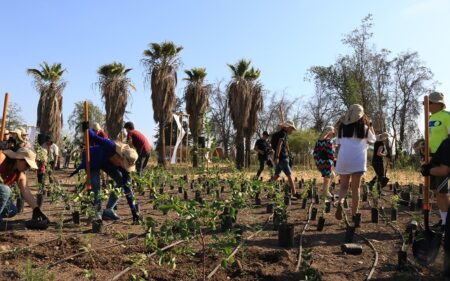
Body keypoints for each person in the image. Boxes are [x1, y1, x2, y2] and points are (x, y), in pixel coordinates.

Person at [72, 125, 141, 223]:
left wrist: (134, 211)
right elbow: (94, 136)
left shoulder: (125, 166)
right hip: (93, 159)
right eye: (124, 163)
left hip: (107, 163)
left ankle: (109, 210)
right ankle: (97, 213)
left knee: (121, 182)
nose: (125, 167)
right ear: (121, 158)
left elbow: (127, 188)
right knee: (96, 184)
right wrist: (87, 128)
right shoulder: (110, 145)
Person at [334, 104, 376, 220]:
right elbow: (373, 140)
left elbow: (338, 142)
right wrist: (370, 125)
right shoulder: (364, 128)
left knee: (343, 187)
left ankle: (340, 203)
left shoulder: (342, 128)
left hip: (343, 159)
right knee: (355, 188)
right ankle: (354, 214)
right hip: (357, 161)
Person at [0, 148, 49, 230]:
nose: (28, 168)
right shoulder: (2, 158)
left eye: (29, 166)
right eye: (27, 165)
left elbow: (26, 192)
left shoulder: (20, 175)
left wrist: (37, 211)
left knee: (12, 210)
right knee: (5, 190)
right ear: (19, 159)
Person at [427, 92, 450, 228]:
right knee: (436, 191)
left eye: (429, 103)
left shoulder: (447, 116)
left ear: (438, 103)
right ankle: (443, 220)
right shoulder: (429, 118)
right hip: (431, 157)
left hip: (444, 158)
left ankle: (447, 223)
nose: (427, 106)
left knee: (443, 192)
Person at [270, 120, 299, 199]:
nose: (292, 130)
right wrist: (277, 156)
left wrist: (277, 156)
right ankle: (294, 193)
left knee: (276, 175)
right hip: (282, 158)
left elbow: (274, 146)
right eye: (291, 128)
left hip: (279, 158)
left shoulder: (275, 134)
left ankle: (269, 190)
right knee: (290, 176)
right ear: (287, 127)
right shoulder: (283, 134)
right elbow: (279, 145)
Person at [313, 126, 336, 201]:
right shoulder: (325, 141)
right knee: (327, 177)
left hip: (323, 161)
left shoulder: (323, 141)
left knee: (332, 175)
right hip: (325, 161)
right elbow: (329, 153)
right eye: (332, 133)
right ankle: (325, 193)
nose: (333, 135)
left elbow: (315, 152)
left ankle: (326, 191)